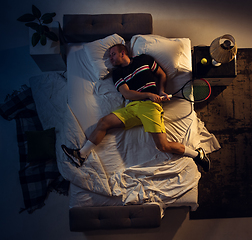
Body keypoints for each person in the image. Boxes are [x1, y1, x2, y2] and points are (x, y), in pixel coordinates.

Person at [62, 44, 210, 172]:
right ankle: (81, 155)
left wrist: (161, 91)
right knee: (103, 123)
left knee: (163, 146)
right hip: (132, 106)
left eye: (113, 54)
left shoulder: (144, 59)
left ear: (123, 52)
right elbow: (127, 94)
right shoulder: (117, 73)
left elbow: (162, 75)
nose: (110, 59)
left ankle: (197, 154)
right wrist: (148, 94)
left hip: (150, 107)